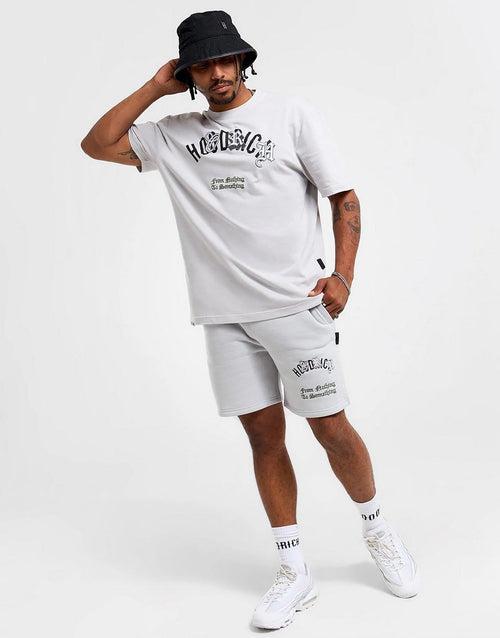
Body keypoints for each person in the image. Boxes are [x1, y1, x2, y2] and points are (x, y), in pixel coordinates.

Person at [81, 9, 419, 630]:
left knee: (331, 428)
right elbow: (96, 144)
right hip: (225, 317)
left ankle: (377, 530)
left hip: (296, 305)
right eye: (201, 65)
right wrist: (154, 88)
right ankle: (294, 569)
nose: (217, 73)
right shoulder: (172, 135)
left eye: (224, 59)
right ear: (188, 74)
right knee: (263, 438)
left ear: (242, 60)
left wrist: (343, 276)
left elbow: (343, 196)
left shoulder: (291, 115)